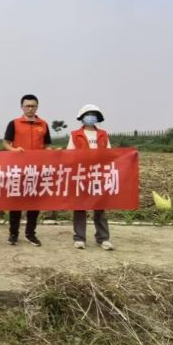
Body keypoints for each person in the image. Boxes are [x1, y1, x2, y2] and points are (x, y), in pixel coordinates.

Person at [3, 94, 52, 247]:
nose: (30, 108)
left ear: (37, 107)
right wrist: (14, 150)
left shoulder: (43, 124)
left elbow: (47, 146)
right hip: (18, 169)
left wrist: (53, 153)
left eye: (33, 106)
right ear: (22, 107)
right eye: (27, 106)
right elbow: (6, 143)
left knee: (34, 203)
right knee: (16, 203)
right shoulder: (14, 123)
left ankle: (30, 234)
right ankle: (13, 234)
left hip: (37, 170)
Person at [68, 104, 114, 251]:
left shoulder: (103, 134)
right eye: (88, 114)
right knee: (80, 207)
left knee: (99, 207)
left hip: (99, 174)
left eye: (94, 114)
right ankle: (79, 238)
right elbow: (70, 154)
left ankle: (103, 238)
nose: (91, 117)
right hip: (81, 174)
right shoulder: (75, 134)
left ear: (97, 118)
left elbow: (109, 153)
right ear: (82, 117)